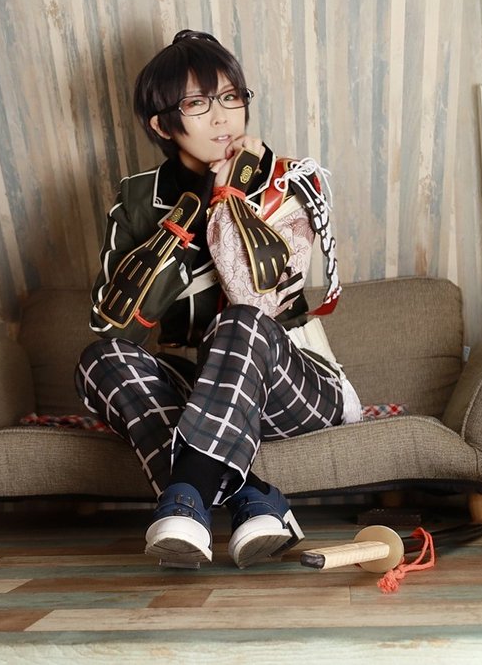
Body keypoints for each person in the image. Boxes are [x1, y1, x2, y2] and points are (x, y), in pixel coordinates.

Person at [76, 30, 359, 569]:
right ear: (162, 124)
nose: (223, 117)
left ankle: (187, 499)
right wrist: (191, 211)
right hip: (201, 389)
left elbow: (259, 298)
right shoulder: (137, 198)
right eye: (197, 104)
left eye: (231, 97)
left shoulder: (285, 180)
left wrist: (230, 195)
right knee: (100, 360)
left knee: (242, 322)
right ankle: (254, 498)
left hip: (294, 383)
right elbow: (116, 327)